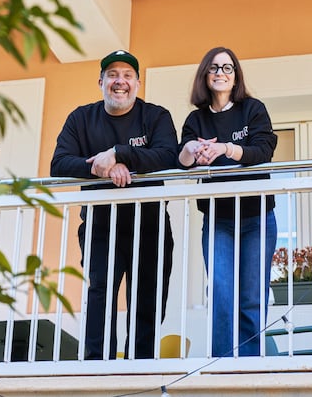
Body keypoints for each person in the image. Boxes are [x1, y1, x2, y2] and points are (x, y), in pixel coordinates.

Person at [50, 50, 177, 359]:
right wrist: (103, 166)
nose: (120, 82)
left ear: (137, 82)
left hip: (150, 224)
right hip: (101, 225)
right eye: (113, 75)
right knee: (100, 293)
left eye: (127, 76)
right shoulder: (81, 118)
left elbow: (168, 156)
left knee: (147, 296)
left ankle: (140, 366)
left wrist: (120, 154)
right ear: (101, 82)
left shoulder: (155, 116)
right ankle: (96, 367)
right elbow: (60, 164)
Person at [178, 46, 277, 357]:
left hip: (257, 217)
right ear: (205, 76)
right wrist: (193, 148)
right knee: (221, 294)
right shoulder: (196, 119)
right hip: (219, 220)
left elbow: (263, 150)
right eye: (214, 68)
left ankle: (248, 367)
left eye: (227, 68)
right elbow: (181, 160)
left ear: (235, 77)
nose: (221, 73)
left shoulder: (253, 109)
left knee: (251, 298)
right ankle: (222, 366)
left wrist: (225, 149)